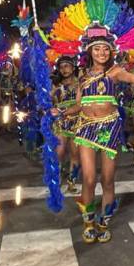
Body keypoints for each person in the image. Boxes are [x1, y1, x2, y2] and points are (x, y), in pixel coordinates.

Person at [50, 0, 134, 243]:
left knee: (108, 180)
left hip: (110, 129)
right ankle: (88, 221)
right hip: (86, 128)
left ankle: (104, 220)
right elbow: (79, 105)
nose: (101, 52)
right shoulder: (83, 76)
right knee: (88, 179)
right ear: (90, 51)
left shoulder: (115, 72)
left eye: (105, 49)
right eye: (96, 49)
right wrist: (62, 112)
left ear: (111, 51)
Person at [52, 55, 81, 191]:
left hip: (77, 122)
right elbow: (46, 102)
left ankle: (71, 182)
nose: (64, 69)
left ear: (73, 67)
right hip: (60, 122)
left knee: (75, 154)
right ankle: (56, 178)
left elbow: (81, 104)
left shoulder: (80, 84)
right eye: (61, 67)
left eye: (67, 66)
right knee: (59, 151)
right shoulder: (55, 85)